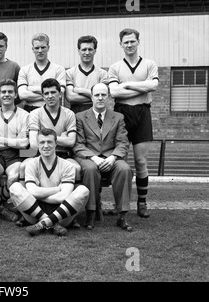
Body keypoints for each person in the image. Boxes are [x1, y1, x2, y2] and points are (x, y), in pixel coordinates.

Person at [108, 28, 159, 218]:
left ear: (138, 42)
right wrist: (141, 88)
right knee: (121, 162)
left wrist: (127, 85)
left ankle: (142, 203)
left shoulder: (149, 64)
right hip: (121, 114)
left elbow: (153, 85)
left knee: (140, 161)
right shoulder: (115, 67)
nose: (129, 45)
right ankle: (120, 204)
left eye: (132, 41)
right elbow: (114, 92)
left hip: (143, 113)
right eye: (125, 42)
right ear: (120, 44)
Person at [73, 83, 133, 231]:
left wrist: (113, 158)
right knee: (90, 169)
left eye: (103, 95)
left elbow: (123, 142)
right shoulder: (80, 117)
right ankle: (91, 214)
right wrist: (94, 158)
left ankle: (122, 216)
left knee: (124, 169)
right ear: (91, 97)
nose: (100, 98)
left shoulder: (118, 117)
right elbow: (78, 144)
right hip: (89, 158)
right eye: (97, 95)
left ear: (109, 97)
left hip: (111, 158)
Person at [9, 128, 89, 237]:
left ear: (56, 144)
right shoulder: (31, 164)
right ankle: (49, 222)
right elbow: (32, 191)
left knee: (83, 191)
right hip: (35, 213)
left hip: (62, 214)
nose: (46, 146)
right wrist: (57, 189)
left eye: (49, 142)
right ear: (38, 144)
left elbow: (63, 196)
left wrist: (37, 195)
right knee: (15, 187)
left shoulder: (68, 166)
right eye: (42, 142)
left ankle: (43, 224)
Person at [0, 78, 29, 221]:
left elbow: (24, 144)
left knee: (14, 175)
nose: (7, 94)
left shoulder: (25, 115)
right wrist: (14, 141)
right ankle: (0, 207)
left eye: (10, 91)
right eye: (3, 92)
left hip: (16, 155)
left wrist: (1, 139)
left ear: (16, 94)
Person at [28, 78, 81, 179]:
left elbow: (71, 142)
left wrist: (44, 138)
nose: (50, 96)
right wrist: (60, 137)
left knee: (76, 168)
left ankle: (71, 195)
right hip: (41, 155)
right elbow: (34, 144)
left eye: (53, 92)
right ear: (42, 96)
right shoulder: (35, 114)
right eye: (46, 93)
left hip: (64, 155)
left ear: (60, 94)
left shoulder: (69, 114)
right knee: (24, 166)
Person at [17, 33, 66, 112]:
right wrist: (50, 93)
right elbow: (22, 95)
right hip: (30, 110)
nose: (40, 51)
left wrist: (31, 88)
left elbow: (60, 92)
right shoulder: (24, 70)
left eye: (43, 47)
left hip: (52, 110)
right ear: (33, 49)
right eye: (37, 48)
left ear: (48, 48)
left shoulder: (59, 69)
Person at [65, 35, 108, 113]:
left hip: (97, 113)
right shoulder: (70, 73)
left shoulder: (103, 74)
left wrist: (79, 90)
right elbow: (70, 97)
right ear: (78, 51)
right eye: (84, 49)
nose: (87, 53)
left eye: (90, 49)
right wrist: (96, 96)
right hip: (76, 112)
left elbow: (104, 97)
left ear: (95, 51)